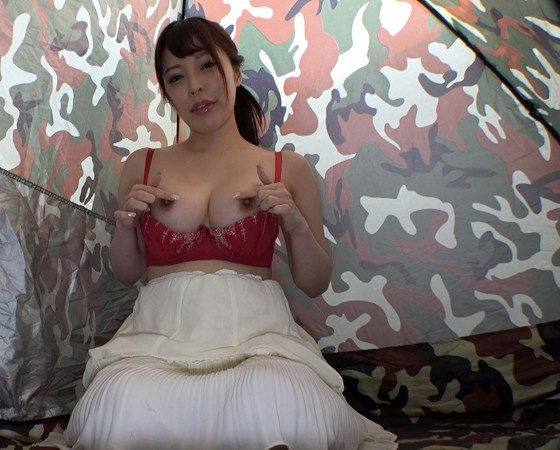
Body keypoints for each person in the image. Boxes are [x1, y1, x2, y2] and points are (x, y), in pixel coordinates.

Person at [62, 16, 397, 450]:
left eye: (206, 66)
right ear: (167, 93)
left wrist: (295, 224)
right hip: (157, 341)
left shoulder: (287, 168)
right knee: (120, 402)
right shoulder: (142, 165)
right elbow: (127, 273)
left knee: (278, 400)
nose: (195, 87)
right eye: (177, 77)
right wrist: (125, 226)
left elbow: (314, 282)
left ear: (236, 72)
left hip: (259, 341)